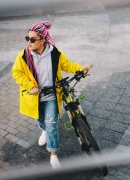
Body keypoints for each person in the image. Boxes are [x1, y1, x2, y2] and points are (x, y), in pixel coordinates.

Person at [11, 21, 90, 168]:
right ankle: (44, 131)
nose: (29, 42)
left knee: (52, 123)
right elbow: (16, 73)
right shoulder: (23, 56)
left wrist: (80, 69)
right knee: (41, 120)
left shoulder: (54, 52)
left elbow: (67, 65)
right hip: (35, 97)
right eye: (27, 38)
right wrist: (30, 86)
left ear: (42, 40)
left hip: (52, 95)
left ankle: (53, 154)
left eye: (33, 39)